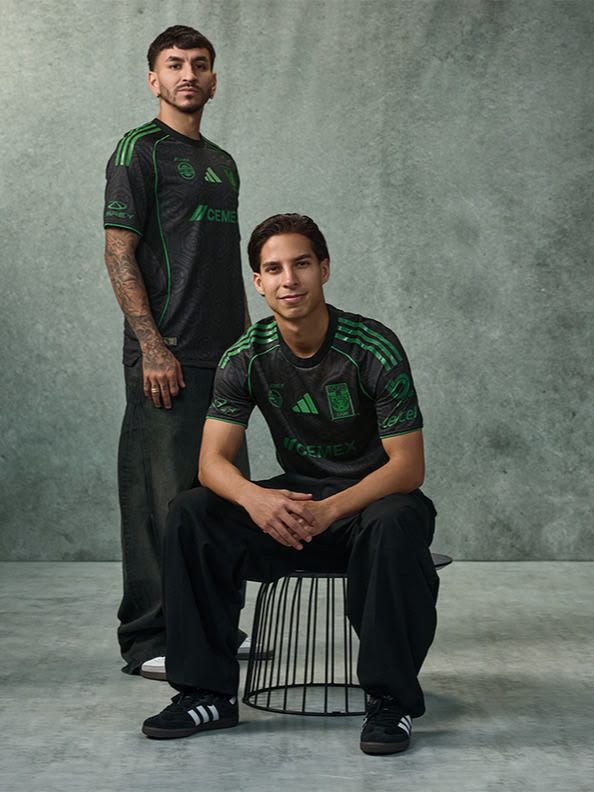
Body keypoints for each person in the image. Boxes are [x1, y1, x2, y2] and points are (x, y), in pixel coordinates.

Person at [142, 214, 439, 755]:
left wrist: (331, 511)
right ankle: (206, 694)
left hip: (372, 505)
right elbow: (212, 462)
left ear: (323, 269)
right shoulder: (246, 356)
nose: (289, 280)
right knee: (192, 510)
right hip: (293, 505)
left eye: (301, 264)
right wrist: (257, 498)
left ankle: (390, 703)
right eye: (273, 269)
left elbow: (407, 467)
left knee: (398, 517)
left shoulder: (373, 348)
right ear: (257, 282)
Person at [103, 25, 250, 677]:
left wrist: (250, 350)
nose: (188, 73)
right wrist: (151, 345)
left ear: (213, 80)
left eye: (200, 64)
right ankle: (149, 638)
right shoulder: (139, 150)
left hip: (225, 361)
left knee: (223, 496)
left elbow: (224, 265)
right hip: (167, 357)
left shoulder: (223, 162)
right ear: (153, 79)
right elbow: (117, 250)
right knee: (159, 501)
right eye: (174, 64)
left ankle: (217, 626)